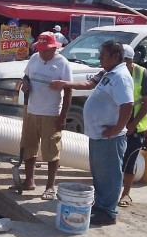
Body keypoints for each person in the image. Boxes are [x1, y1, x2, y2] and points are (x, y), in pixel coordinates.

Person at [51, 40, 133, 225]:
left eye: (102, 55)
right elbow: (89, 84)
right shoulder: (108, 73)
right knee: (100, 173)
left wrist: (116, 129)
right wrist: (65, 84)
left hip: (109, 137)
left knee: (110, 174)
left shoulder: (121, 77)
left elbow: (127, 105)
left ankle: (108, 212)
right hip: (98, 135)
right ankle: (101, 205)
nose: (99, 58)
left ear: (114, 56)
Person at [20, 32, 72, 200]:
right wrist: (26, 84)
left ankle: (50, 187)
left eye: (45, 50)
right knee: (28, 146)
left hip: (51, 113)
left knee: (51, 151)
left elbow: (68, 90)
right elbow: (26, 76)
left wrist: (63, 115)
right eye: (40, 49)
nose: (42, 53)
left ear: (53, 48)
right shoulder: (34, 58)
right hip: (31, 110)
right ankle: (29, 181)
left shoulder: (62, 63)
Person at [118, 44, 147, 208]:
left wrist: (133, 123)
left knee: (129, 161)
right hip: (116, 124)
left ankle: (126, 194)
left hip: (134, 127)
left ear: (130, 60)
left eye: (125, 61)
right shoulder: (115, 72)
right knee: (114, 162)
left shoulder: (141, 73)